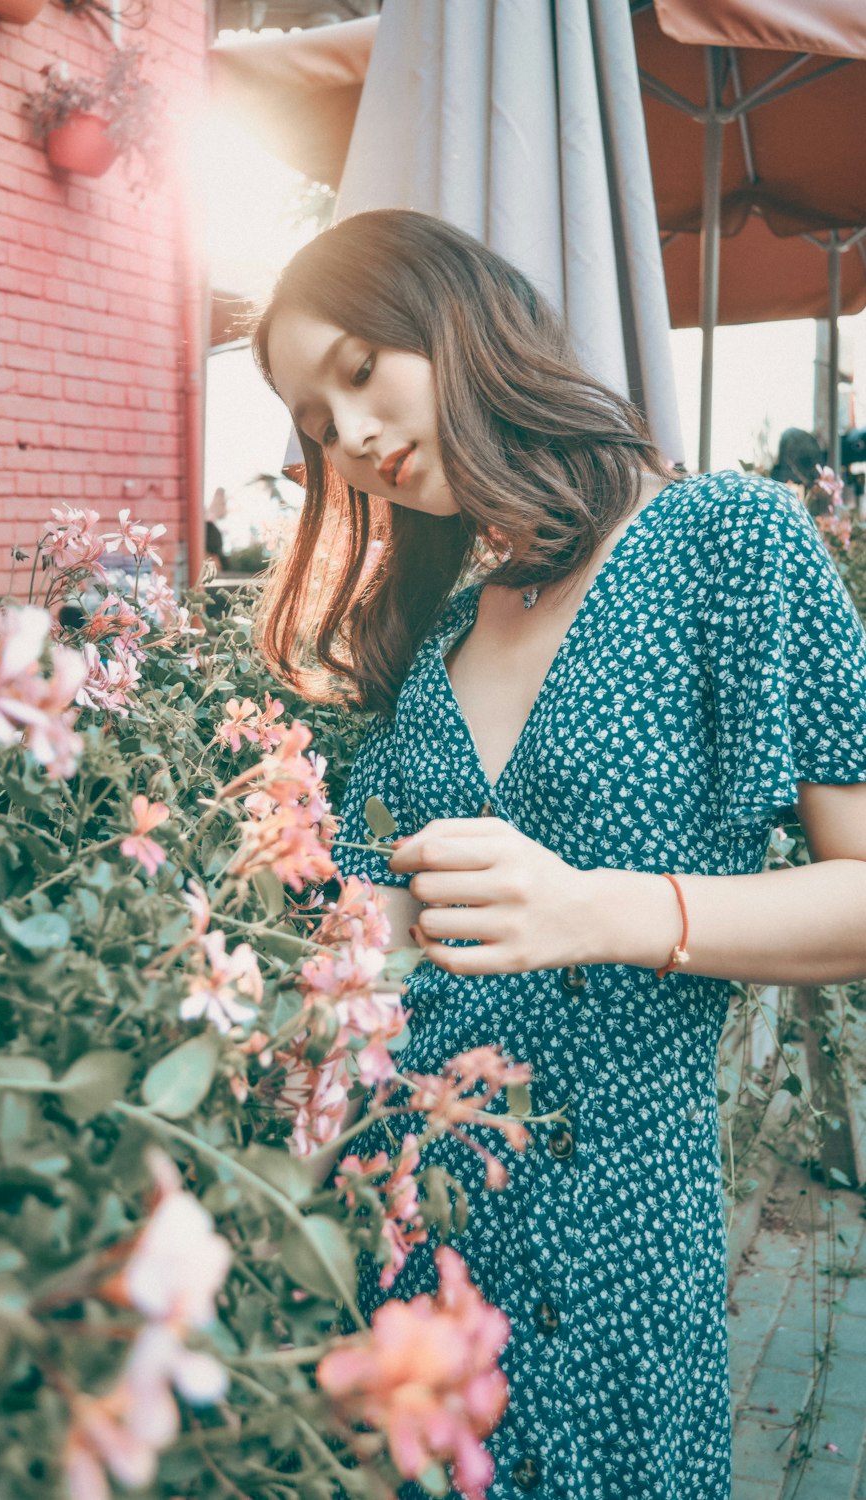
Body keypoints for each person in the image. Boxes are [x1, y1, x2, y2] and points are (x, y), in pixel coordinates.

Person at [251, 209, 866, 1500]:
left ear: (456, 315)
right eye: (316, 421)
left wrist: (606, 910)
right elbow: (367, 945)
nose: (350, 437)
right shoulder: (439, 640)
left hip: (621, 1255)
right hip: (409, 1264)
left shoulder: (730, 547)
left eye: (360, 369)